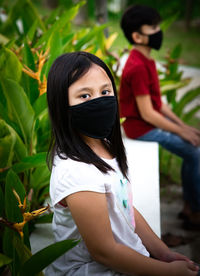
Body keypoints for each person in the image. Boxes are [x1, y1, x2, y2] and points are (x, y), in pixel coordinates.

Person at [45, 51, 199, 276]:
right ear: (61, 105)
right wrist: (167, 271)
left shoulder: (104, 145)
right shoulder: (76, 171)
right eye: (85, 96)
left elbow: (125, 207)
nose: (99, 101)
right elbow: (104, 252)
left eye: (105, 91)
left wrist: (163, 253)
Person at [119, 4, 200, 229]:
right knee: (194, 152)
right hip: (141, 129)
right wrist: (182, 131)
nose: (158, 31)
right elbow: (147, 113)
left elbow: (158, 104)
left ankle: (189, 206)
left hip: (148, 123)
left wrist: (184, 126)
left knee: (192, 146)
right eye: (153, 28)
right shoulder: (136, 67)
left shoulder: (146, 61)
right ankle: (194, 210)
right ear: (137, 36)